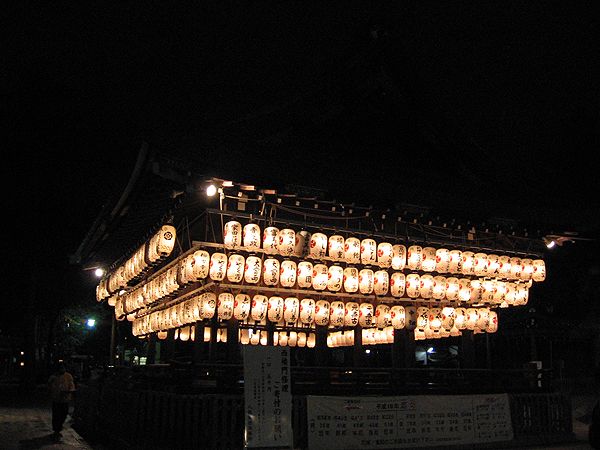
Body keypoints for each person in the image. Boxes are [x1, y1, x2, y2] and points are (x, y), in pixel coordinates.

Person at [47, 362, 76, 437]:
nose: (62, 369)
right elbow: (49, 386)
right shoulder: (53, 377)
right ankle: (56, 429)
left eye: (63, 368)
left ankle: (59, 426)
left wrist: (70, 391)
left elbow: (71, 385)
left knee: (64, 413)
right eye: (61, 368)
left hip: (65, 399)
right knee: (56, 415)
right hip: (56, 399)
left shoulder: (68, 376)